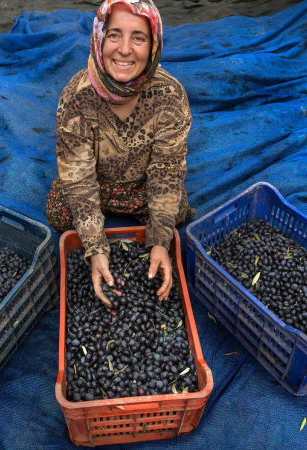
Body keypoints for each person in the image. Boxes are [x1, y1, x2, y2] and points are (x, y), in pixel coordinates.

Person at [45, 0, 194, 308]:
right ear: (100, 37)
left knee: (175, 214)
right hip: (97, 185)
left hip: (142, 187)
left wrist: (159, 242)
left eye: (138, 37)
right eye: (114, 35)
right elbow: (80, 179)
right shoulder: (77, 97)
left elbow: (166, 172)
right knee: (60, 211)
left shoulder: (170, 96)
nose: (125, 49)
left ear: (153, 44)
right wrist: (96, 248)